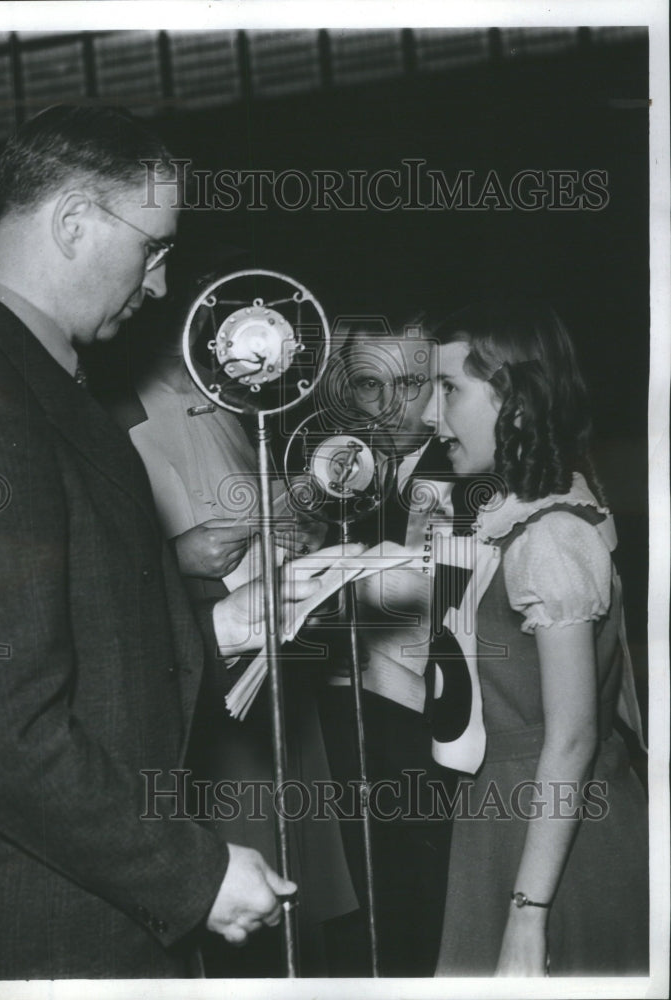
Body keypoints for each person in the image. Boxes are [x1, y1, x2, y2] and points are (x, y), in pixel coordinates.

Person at [0, 104, 353, 980]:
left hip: (74, 905)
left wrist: (219, 624)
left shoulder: (25, 378)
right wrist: (196, 874)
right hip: (38, 926)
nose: (163, 283)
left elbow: (66, 634)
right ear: (70, 221)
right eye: (154, 248)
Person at [107, 276, 356, 975]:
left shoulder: (231, 404)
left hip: (266, 647)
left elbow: (261, 498)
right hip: (199, 658)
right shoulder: (113, 409)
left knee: (292, 861)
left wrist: (295, 522)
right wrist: (179, 556)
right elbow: (108, 561)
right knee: (235, 857)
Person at [421, 298, 648, 976]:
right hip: (507, 814)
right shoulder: (528, 512)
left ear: (513, 403)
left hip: (552, 839)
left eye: (448, 389)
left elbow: (573, 736)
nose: (432, 417)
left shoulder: (549, 537)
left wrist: (526, 913)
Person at [313, 314, 465, 976]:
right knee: (366, 907)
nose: (388, 407)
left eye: (407, 384)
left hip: (434, 727)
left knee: (426, 916)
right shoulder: (349, 461)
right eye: (368, 386)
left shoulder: (466, 461)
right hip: (352, 720)